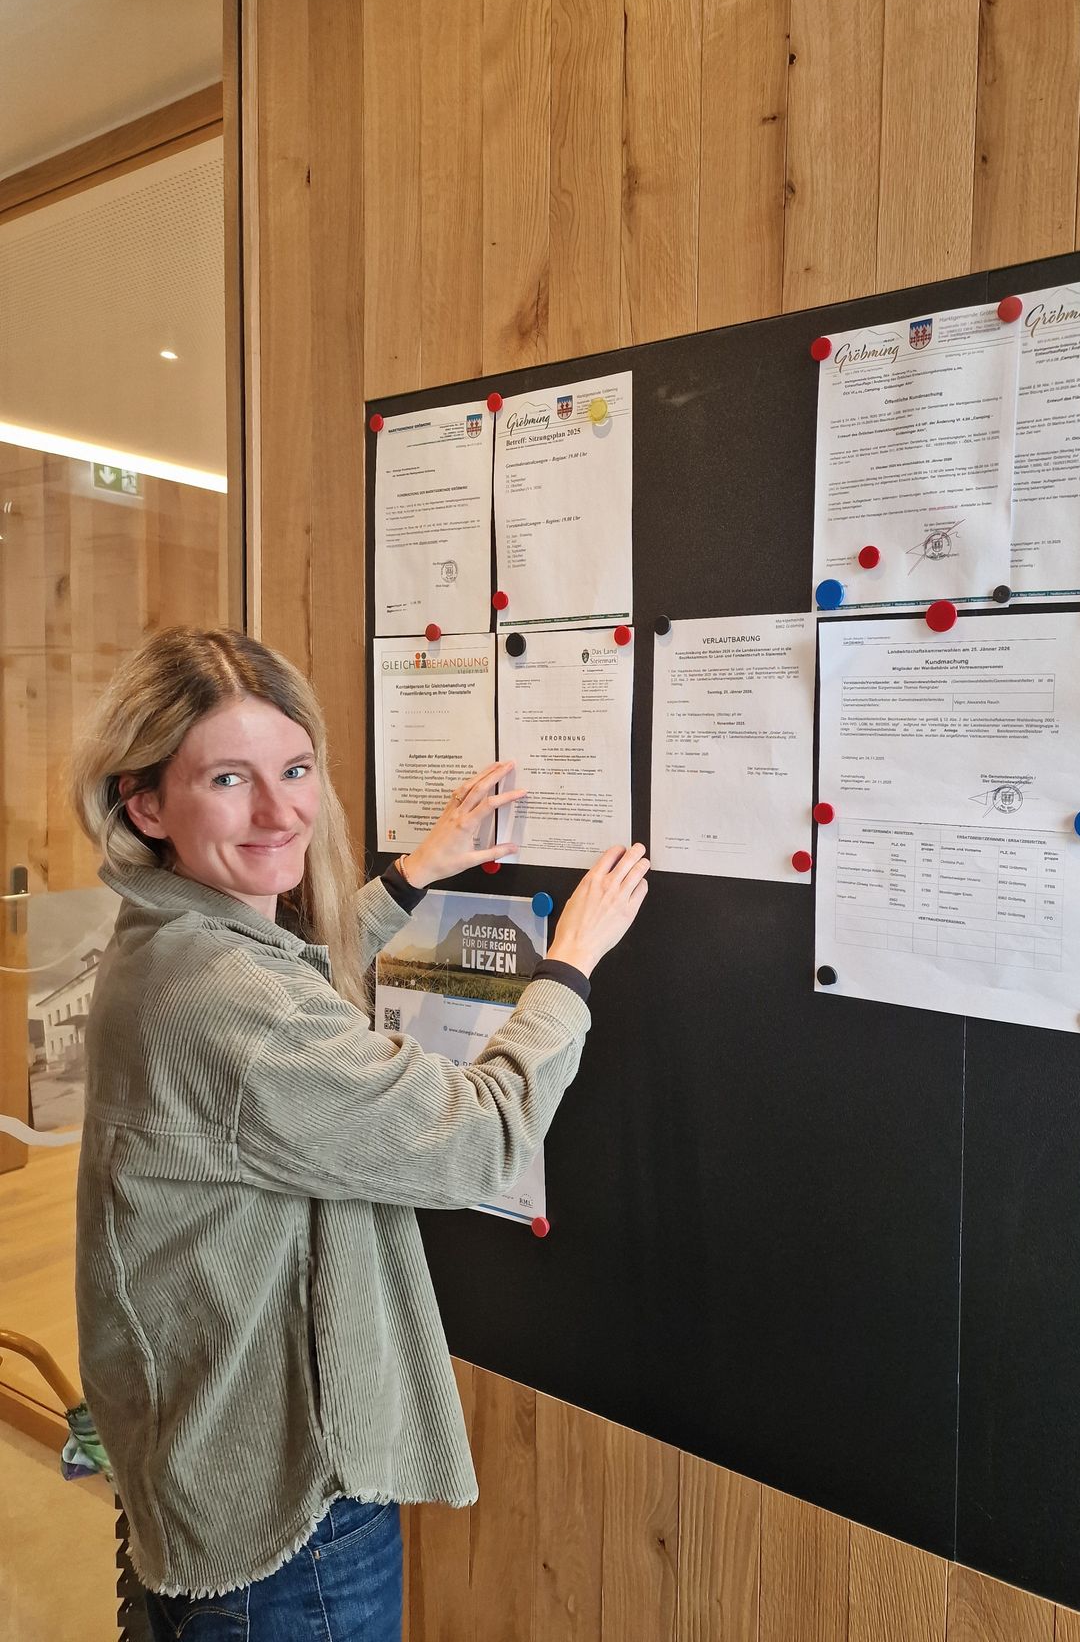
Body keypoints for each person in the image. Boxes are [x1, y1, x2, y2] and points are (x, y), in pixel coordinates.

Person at [68, 626, 649, 1640]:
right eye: (229, 780)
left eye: (296, 769)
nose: (282, 810)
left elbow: (290, 996)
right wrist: (568, 968)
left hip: (204, 1477)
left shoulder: (169, 941)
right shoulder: (220, 995)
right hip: (286, 1526)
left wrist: (413, 878)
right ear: (145, 801)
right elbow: (481, 1138)